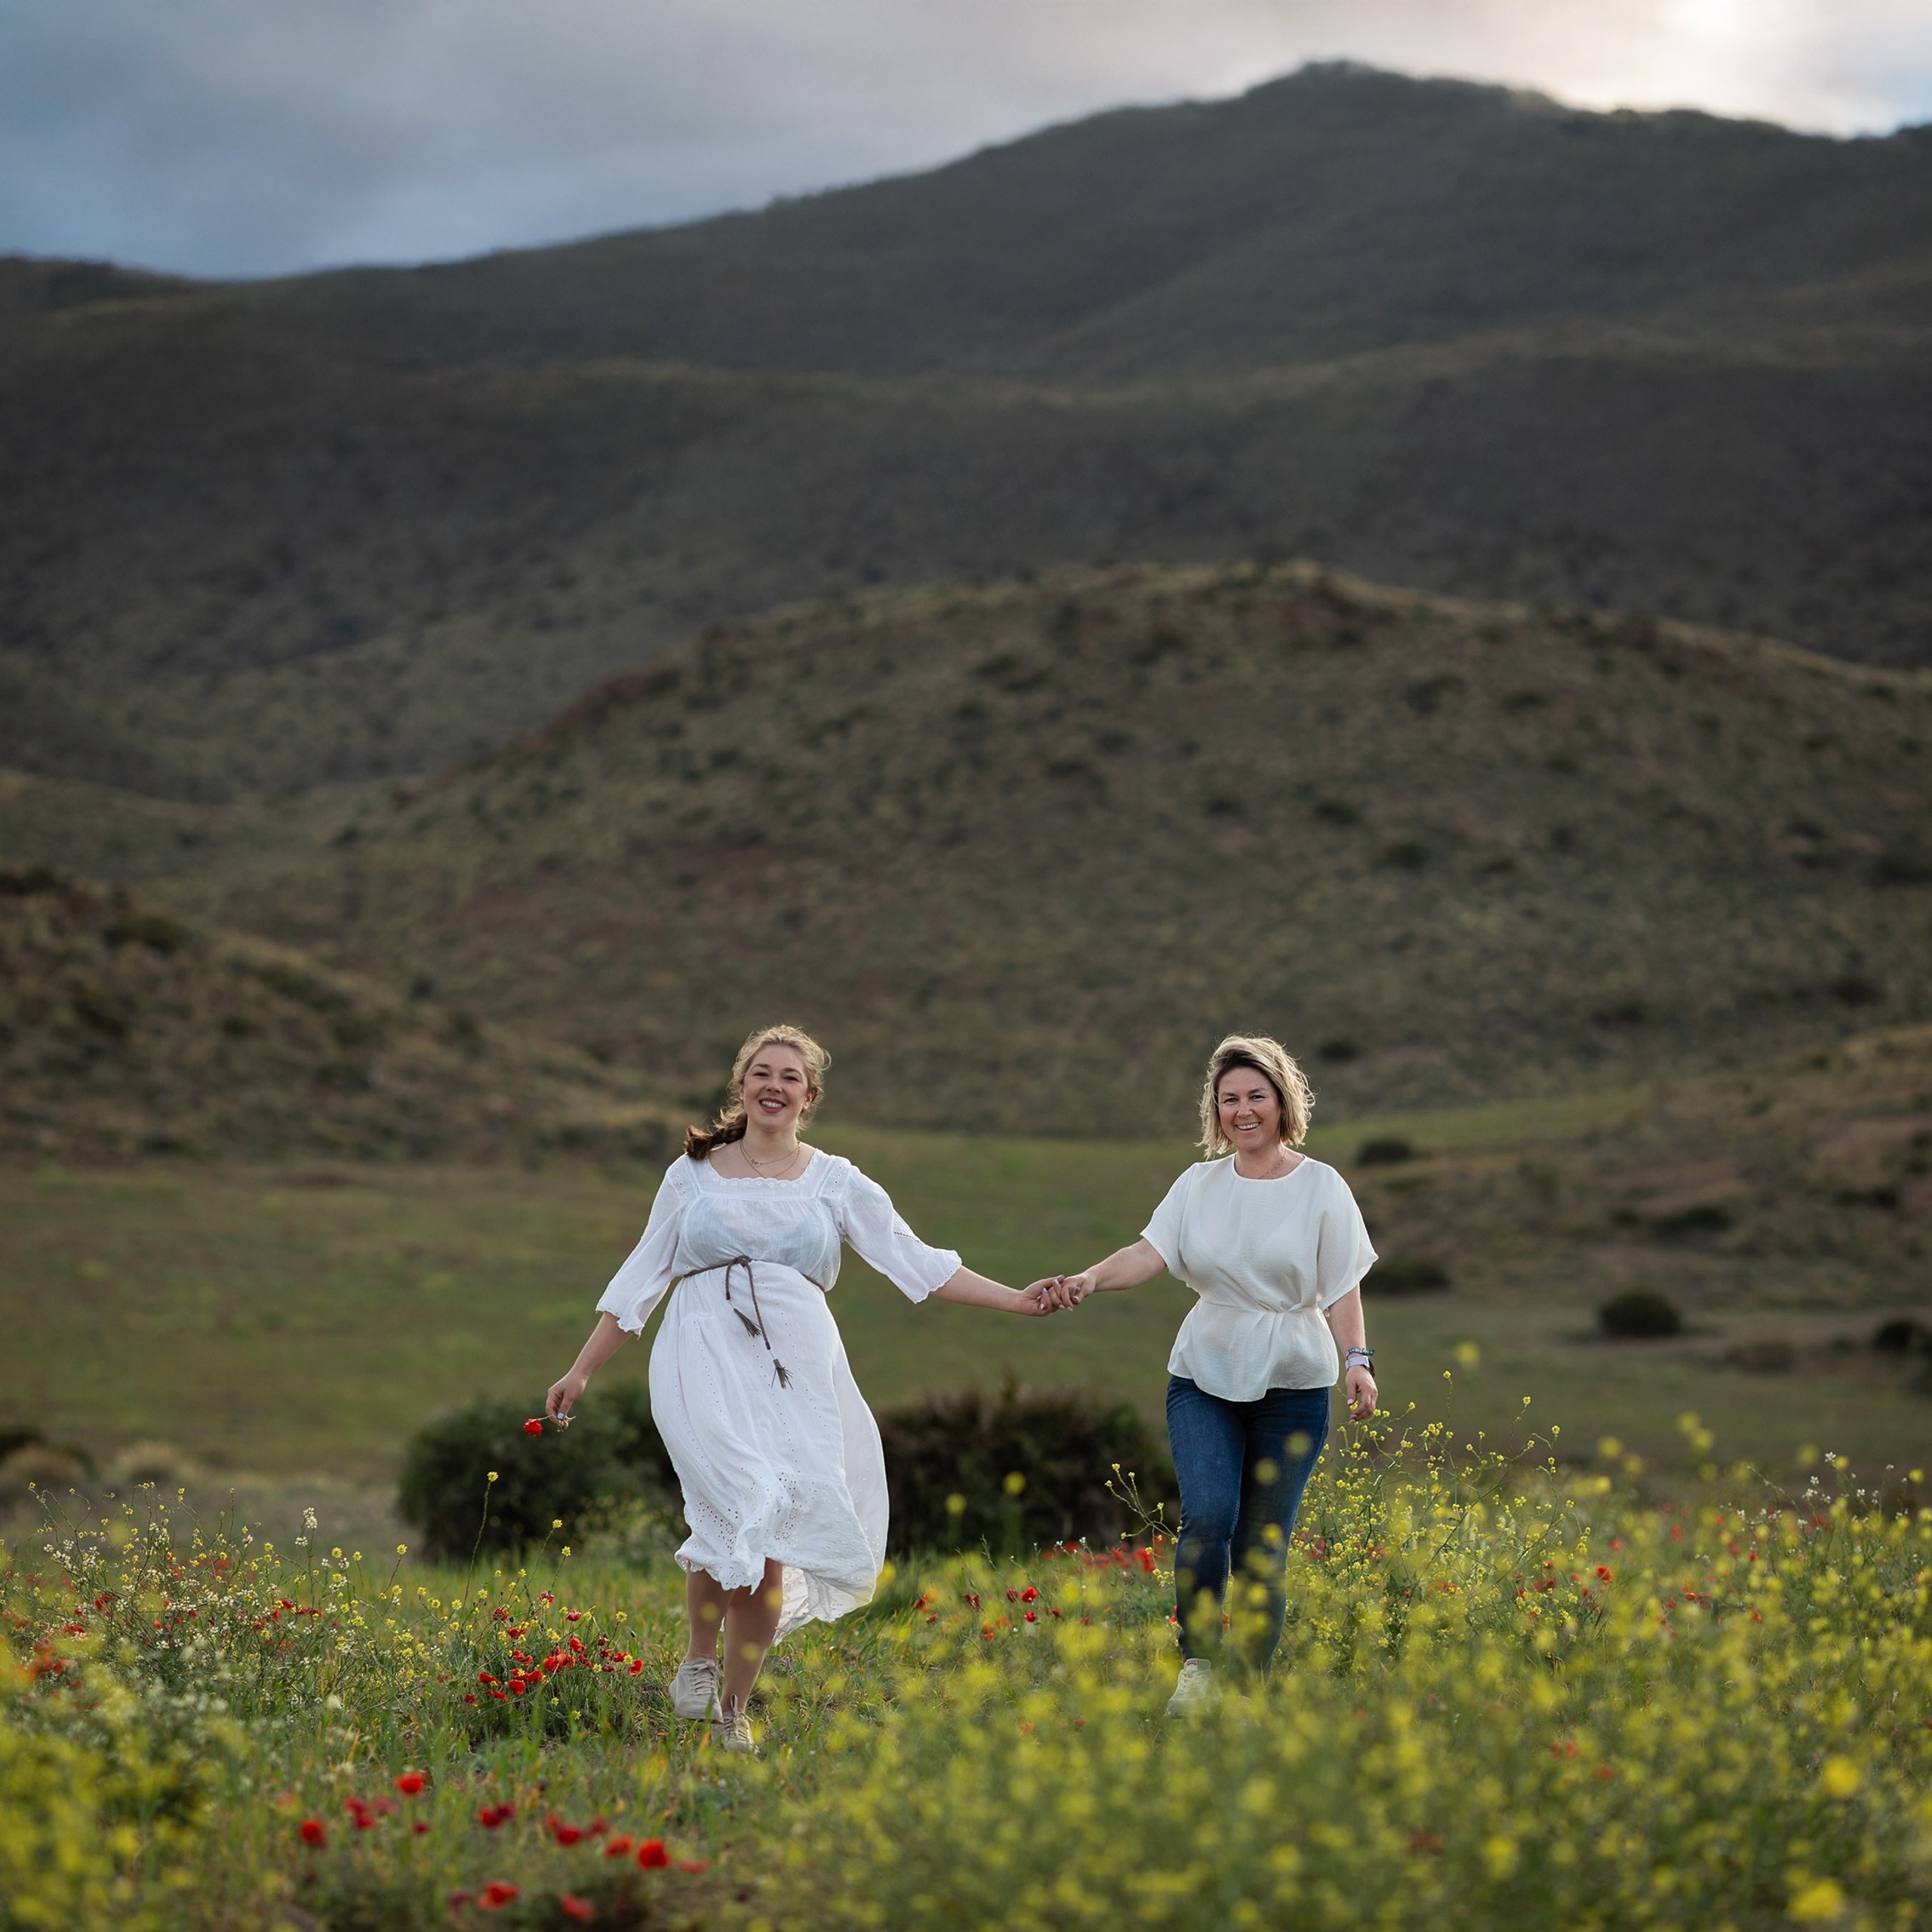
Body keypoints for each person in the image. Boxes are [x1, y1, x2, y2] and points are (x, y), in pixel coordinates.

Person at [544, 1023, 1054, 1753]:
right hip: (700, 1350)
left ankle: (733, 1710)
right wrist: (582, 1367)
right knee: (734, 1500)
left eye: (789, 1077)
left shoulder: (836, 1181)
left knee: (774, 1521)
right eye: (761, 1073)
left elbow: (916, 1261)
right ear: (741, 1085)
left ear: (808, 1097)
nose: (773, 1086)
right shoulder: (690, 1174)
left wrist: (1017, 1300)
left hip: (797, 1359)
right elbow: (641, 1278)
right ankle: (697, 1654)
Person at [1036, 1033, 1377, 1716]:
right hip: (1205, 1373)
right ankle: (1198, 1666)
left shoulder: (1321, 1187)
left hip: (1294, 1381)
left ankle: (1247, 1687)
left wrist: (1358, 1362)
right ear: (1215, 1110)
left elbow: (1342, 1286)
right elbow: (1149, 1252)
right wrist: (1090, 1279)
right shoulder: (1198, 1185)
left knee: (1263, 1542)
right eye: (1229, 1100)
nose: (1243, 1111)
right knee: (1210, 1516)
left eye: (1256, 1096)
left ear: (1283, 1102)